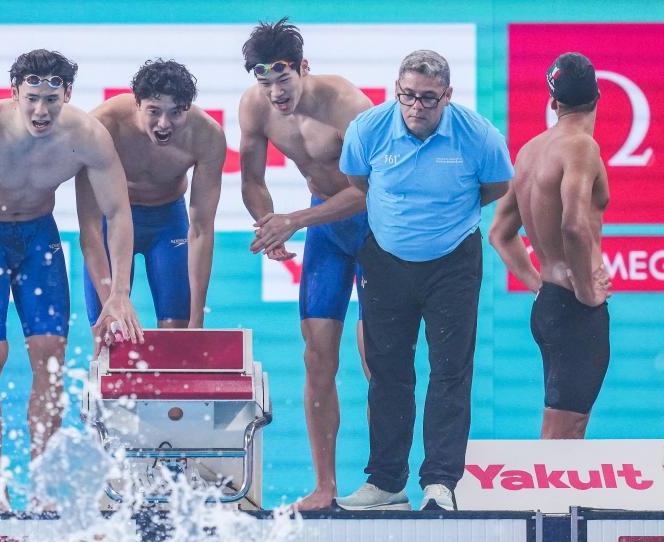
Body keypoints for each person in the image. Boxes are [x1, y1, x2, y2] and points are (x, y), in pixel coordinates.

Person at [0, 49, 143, 510]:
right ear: (14, 93)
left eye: (51, 100)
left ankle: (42, 489)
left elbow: (118, 212)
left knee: (50, 359)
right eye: (32, 99)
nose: (41, 111)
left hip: (38, 238)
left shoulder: (87, 136)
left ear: (68, 95)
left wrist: (120, 291)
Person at [336, 49, 513, 511]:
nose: (416, 106)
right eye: (408, 95)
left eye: (429, 98)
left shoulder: (479, 136)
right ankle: (386, 483)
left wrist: (445, 218)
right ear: (397, 89)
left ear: (447, 96)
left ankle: (440, 483)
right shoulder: (367, 129)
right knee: (388, 373)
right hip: (385, 261)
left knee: (450, 371)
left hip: (453, 263)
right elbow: (358, 182)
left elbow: (497, 187)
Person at [238, 18, 373, 511]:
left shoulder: (349, 106)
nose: (276, 93)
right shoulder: (255, 107)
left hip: (374, 229)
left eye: (283, 79)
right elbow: (252, 180)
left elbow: (368, 192)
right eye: (266, 82)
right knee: (317, 358)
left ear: (303, 68)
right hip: (326, 232)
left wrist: (293, 220)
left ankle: (385, 482)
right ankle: (324, 487)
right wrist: (267, 224)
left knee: (377, 361)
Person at [489, 52, 610, 439]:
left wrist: (538, 285)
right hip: (575, 309)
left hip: (550, 305)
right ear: (598, 96)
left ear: (553, 102)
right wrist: (586, 290)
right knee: (563, 433)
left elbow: (499, 233)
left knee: (566, 430)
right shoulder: (581, 147)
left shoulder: (529, 151)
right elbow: (573, 225)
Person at [77, 59, 225, 332]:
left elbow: (202, 229)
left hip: (168, 221)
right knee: (109, 329)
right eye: (154, 111)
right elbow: (90, 229)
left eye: (175, 113)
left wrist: (197, 320)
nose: (164, 124)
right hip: (114, 219)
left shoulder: (206, 135)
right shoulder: (103, 125)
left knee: (179, 330)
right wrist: (111, 300)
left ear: (187, 108)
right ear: (137, 103)